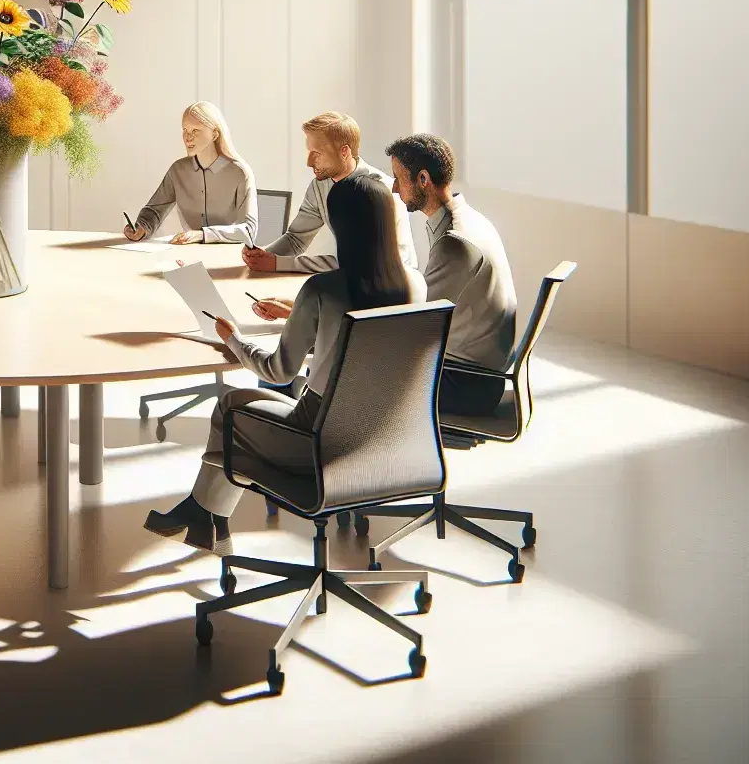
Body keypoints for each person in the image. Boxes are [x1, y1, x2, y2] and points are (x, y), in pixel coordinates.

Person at [145, 174, 426, 551]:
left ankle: (208, 515)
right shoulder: (414, 284)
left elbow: (278, 371)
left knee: (231, 406)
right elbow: (361, 340)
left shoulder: (323, 289)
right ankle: (206, 517)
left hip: (319, 439)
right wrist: (294, 314)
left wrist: (235, 340)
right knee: (243, 411)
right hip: (387, 434)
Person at [385, 133, 518, 417]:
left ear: (423, 179)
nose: (395, 189)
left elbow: (414, 321)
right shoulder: (471, 219)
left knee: (358, 366)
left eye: (398, 177)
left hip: (466, 385)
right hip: (480, 374)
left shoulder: (455, 241)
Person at [241, 111, 417, 276]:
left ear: (344, 152)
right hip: (357, 281)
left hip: (393, 285)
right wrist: (262, 255)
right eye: (309, 152)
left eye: (317, 154)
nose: (309, 163)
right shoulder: (320, 186)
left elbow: (358, 262)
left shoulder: (380, 191)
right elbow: (296, 239)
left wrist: (278, 264)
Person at [122, 102, 258, 245]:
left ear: (215, 134)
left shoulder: (240, 173)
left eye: (195, 130)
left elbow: (249, 231)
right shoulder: (177, 170)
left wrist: (202, 235)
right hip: (190, 254)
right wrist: (141, 227)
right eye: (185, 130)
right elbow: (155, 210)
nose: (188, 137)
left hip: (230, 258)